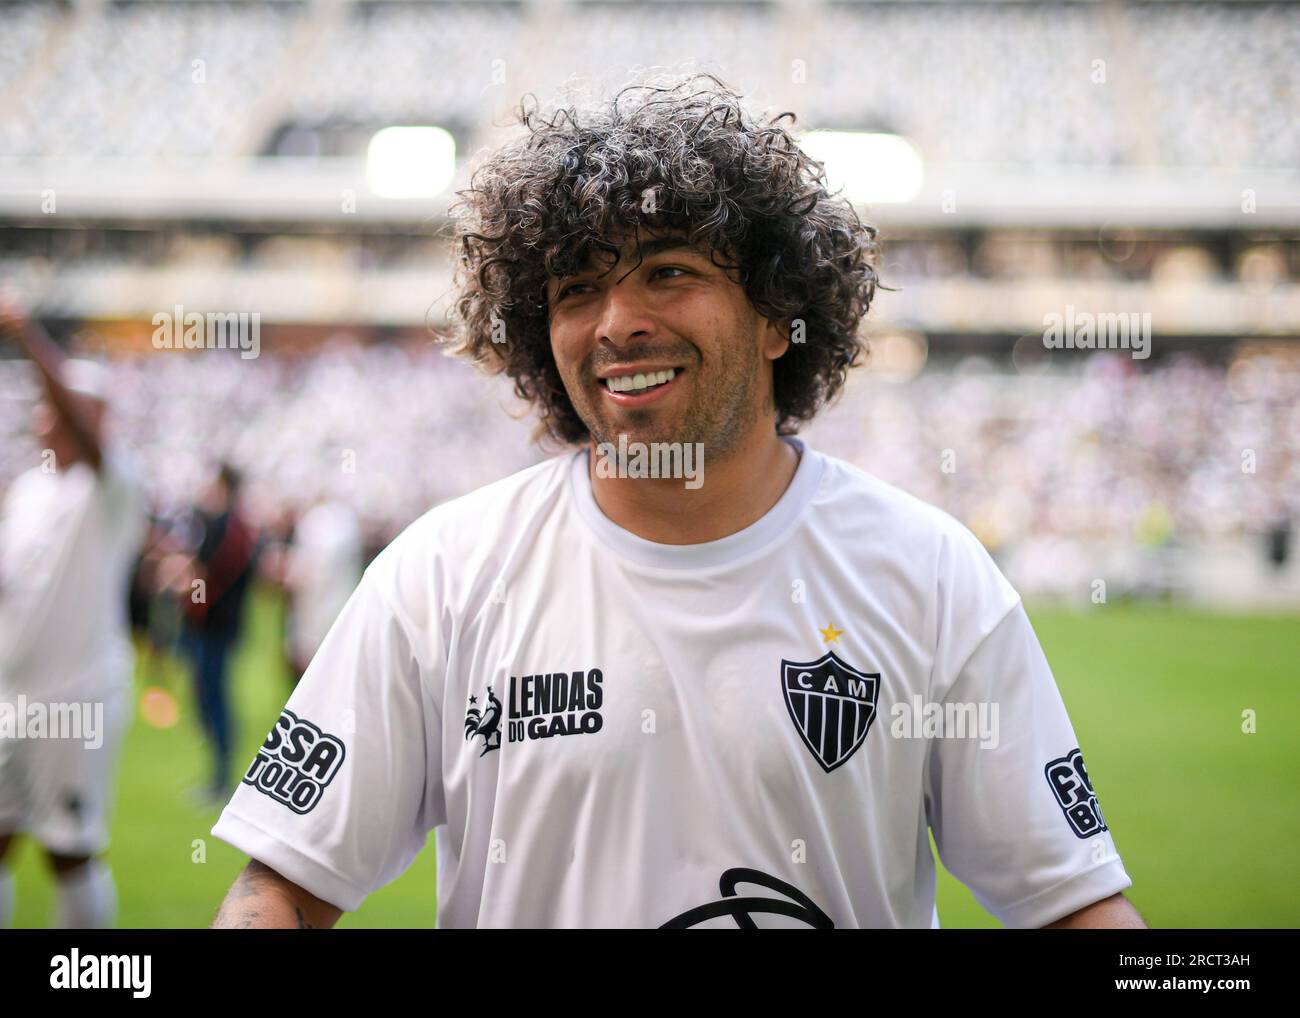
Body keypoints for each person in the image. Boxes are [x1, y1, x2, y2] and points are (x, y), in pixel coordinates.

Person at [211, 74, 1145, 929]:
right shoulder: (440, 576)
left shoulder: (932, 577)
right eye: (578, 288)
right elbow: (281, 889)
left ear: (781, 314)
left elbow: (1072, 908)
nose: (618, 322)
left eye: (669, 270)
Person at [0, 302, 147, 928]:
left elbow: (88, 441)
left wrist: (28, 340)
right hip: (10, 693)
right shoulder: (30, 490)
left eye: (62, 406)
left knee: (69, 850)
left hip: (76, 695)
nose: (47, 416)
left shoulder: (114, 487)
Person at [182, 463, 258, 803]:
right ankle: (221, 774)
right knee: (212, 696)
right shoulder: (242, 528)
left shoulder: (221, 526)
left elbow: (202, 576)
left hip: (211, 624)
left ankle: (221, 777)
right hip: (227, 624)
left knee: (212, 698)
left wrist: (188, 593)